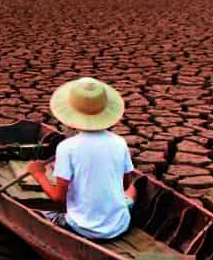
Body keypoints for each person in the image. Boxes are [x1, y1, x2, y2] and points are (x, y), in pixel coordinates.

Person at [26, 77, 137, 240]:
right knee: (133, 191)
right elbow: (125, 185)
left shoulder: (67, 147)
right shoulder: (120, 142)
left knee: (40, 214)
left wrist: (38, 174)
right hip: (120, 225)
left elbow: (58, 198)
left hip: (82, 228)